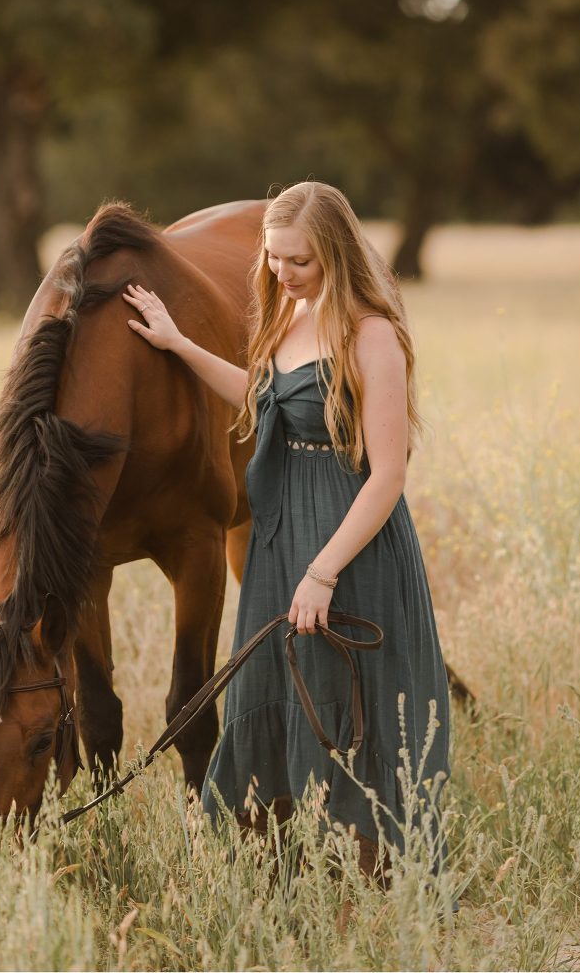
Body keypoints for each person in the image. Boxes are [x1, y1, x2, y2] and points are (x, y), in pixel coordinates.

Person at [123, 181, 450, 874]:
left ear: (333, 251)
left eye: (297, 259)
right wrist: (178, 343)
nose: (281, 271)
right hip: (278, 533)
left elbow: (389, 474)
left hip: (347, 535)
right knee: (272, 686)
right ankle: (277, 863)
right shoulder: (287, 314)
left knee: (346, 695)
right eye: (273, 257)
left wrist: (325, 569)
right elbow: (264, 396)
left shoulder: (372, 335)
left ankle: (367, 869)